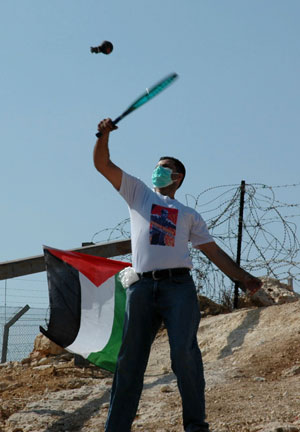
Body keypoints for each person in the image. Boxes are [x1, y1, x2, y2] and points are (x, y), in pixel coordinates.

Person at [93, 118, 262, 432]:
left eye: (165, 166)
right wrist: (103, 136)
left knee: (184, 353)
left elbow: (213, 252)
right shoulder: (139, 193)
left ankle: (195, 425)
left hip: (178, 287)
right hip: (141, 287)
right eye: (157, 165)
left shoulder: (189, 214)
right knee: (129, 360)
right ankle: (116, 428)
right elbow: (103, 164)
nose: (157, 169)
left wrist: (243, 277)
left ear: (178, 176)